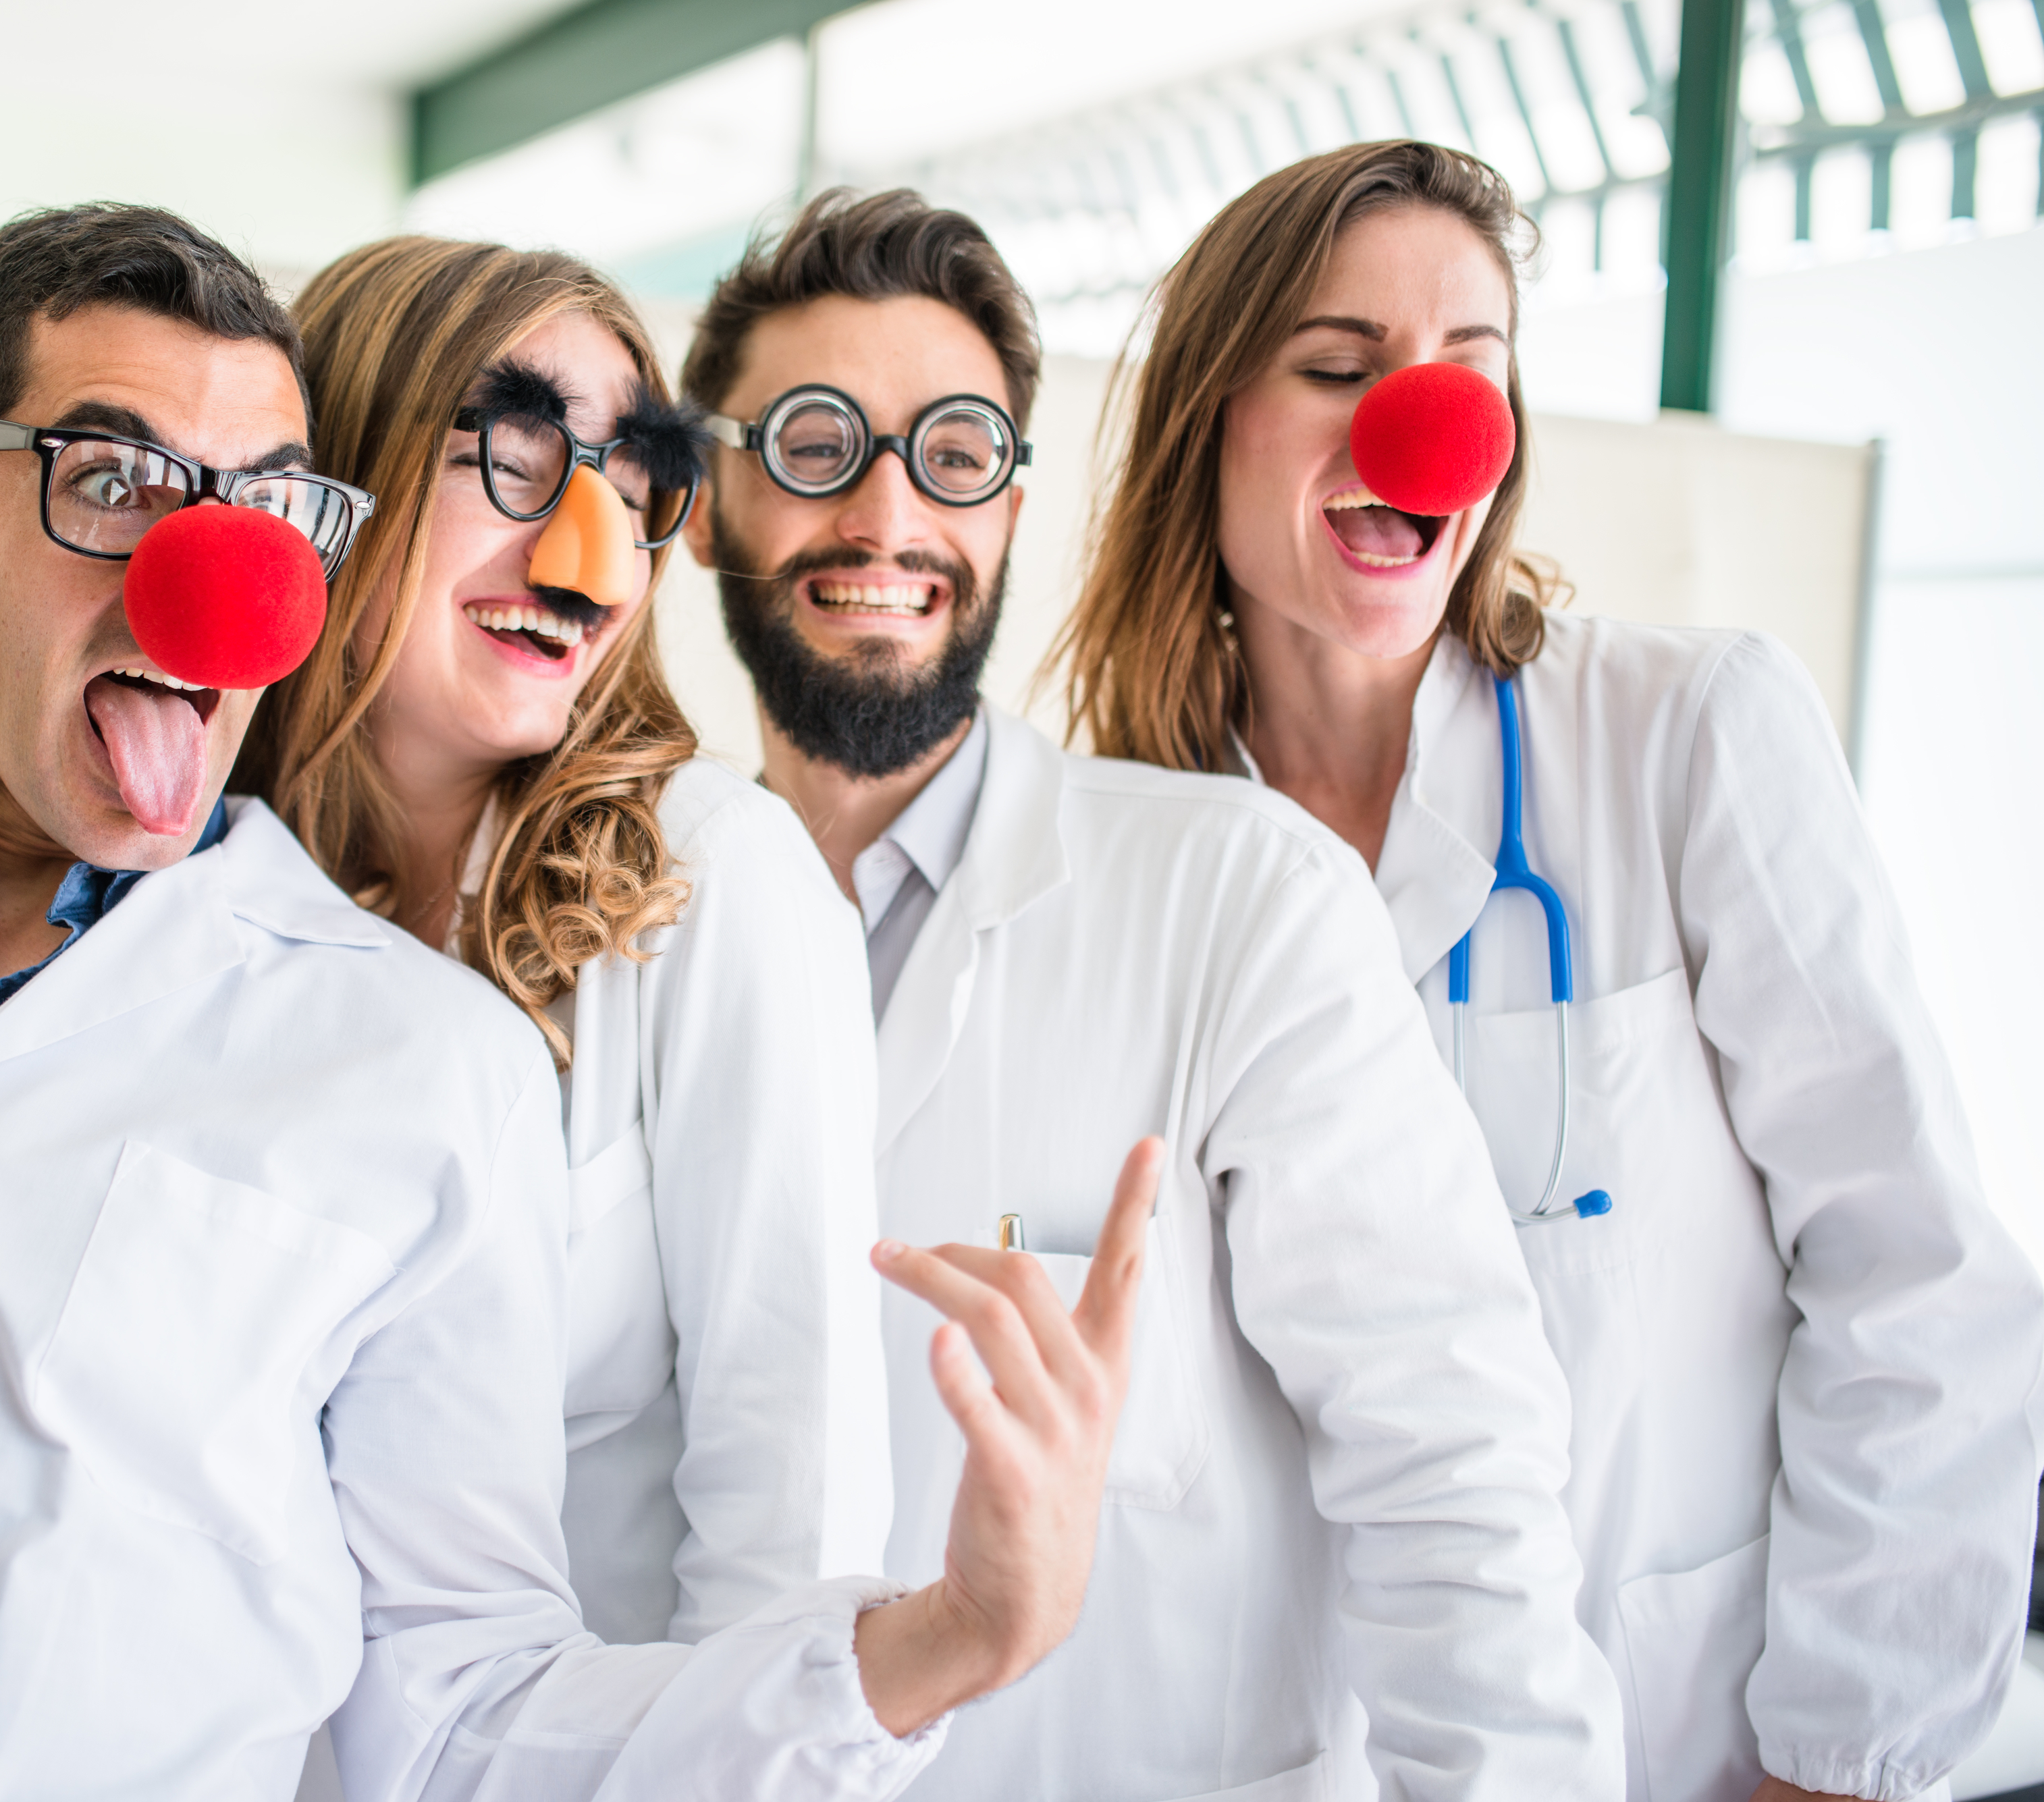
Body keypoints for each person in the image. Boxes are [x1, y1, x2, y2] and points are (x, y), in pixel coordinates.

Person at [0, 201, 1157, 1801]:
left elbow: (470, 1697)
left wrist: (930, 1642)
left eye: (255, 504)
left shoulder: (462, 1032)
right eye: (113, 477)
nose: (589, 548)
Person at [1054, 139, 2044, 1802]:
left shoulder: (1682, 735)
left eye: (1468, 374)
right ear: (1204, 420)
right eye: (1338, 368)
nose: (1413, 425)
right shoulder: (1121, 854)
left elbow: (1918, 1281)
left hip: (1690, 1737)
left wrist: (1833, 1764)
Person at [684, 186, 1628, 1801]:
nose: (887, 517)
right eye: (814, 443)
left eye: (957, 454)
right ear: (703, 498)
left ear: (1005, 510)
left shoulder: (1239, 896)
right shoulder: (634, 926)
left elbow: (1449, 1475)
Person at [236, 236, 890, 1660]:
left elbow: (798, 1507)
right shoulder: (192, 882)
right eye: (517, 453)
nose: (589, 556)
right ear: (339, 469)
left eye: (634, 485)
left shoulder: (711, 881)